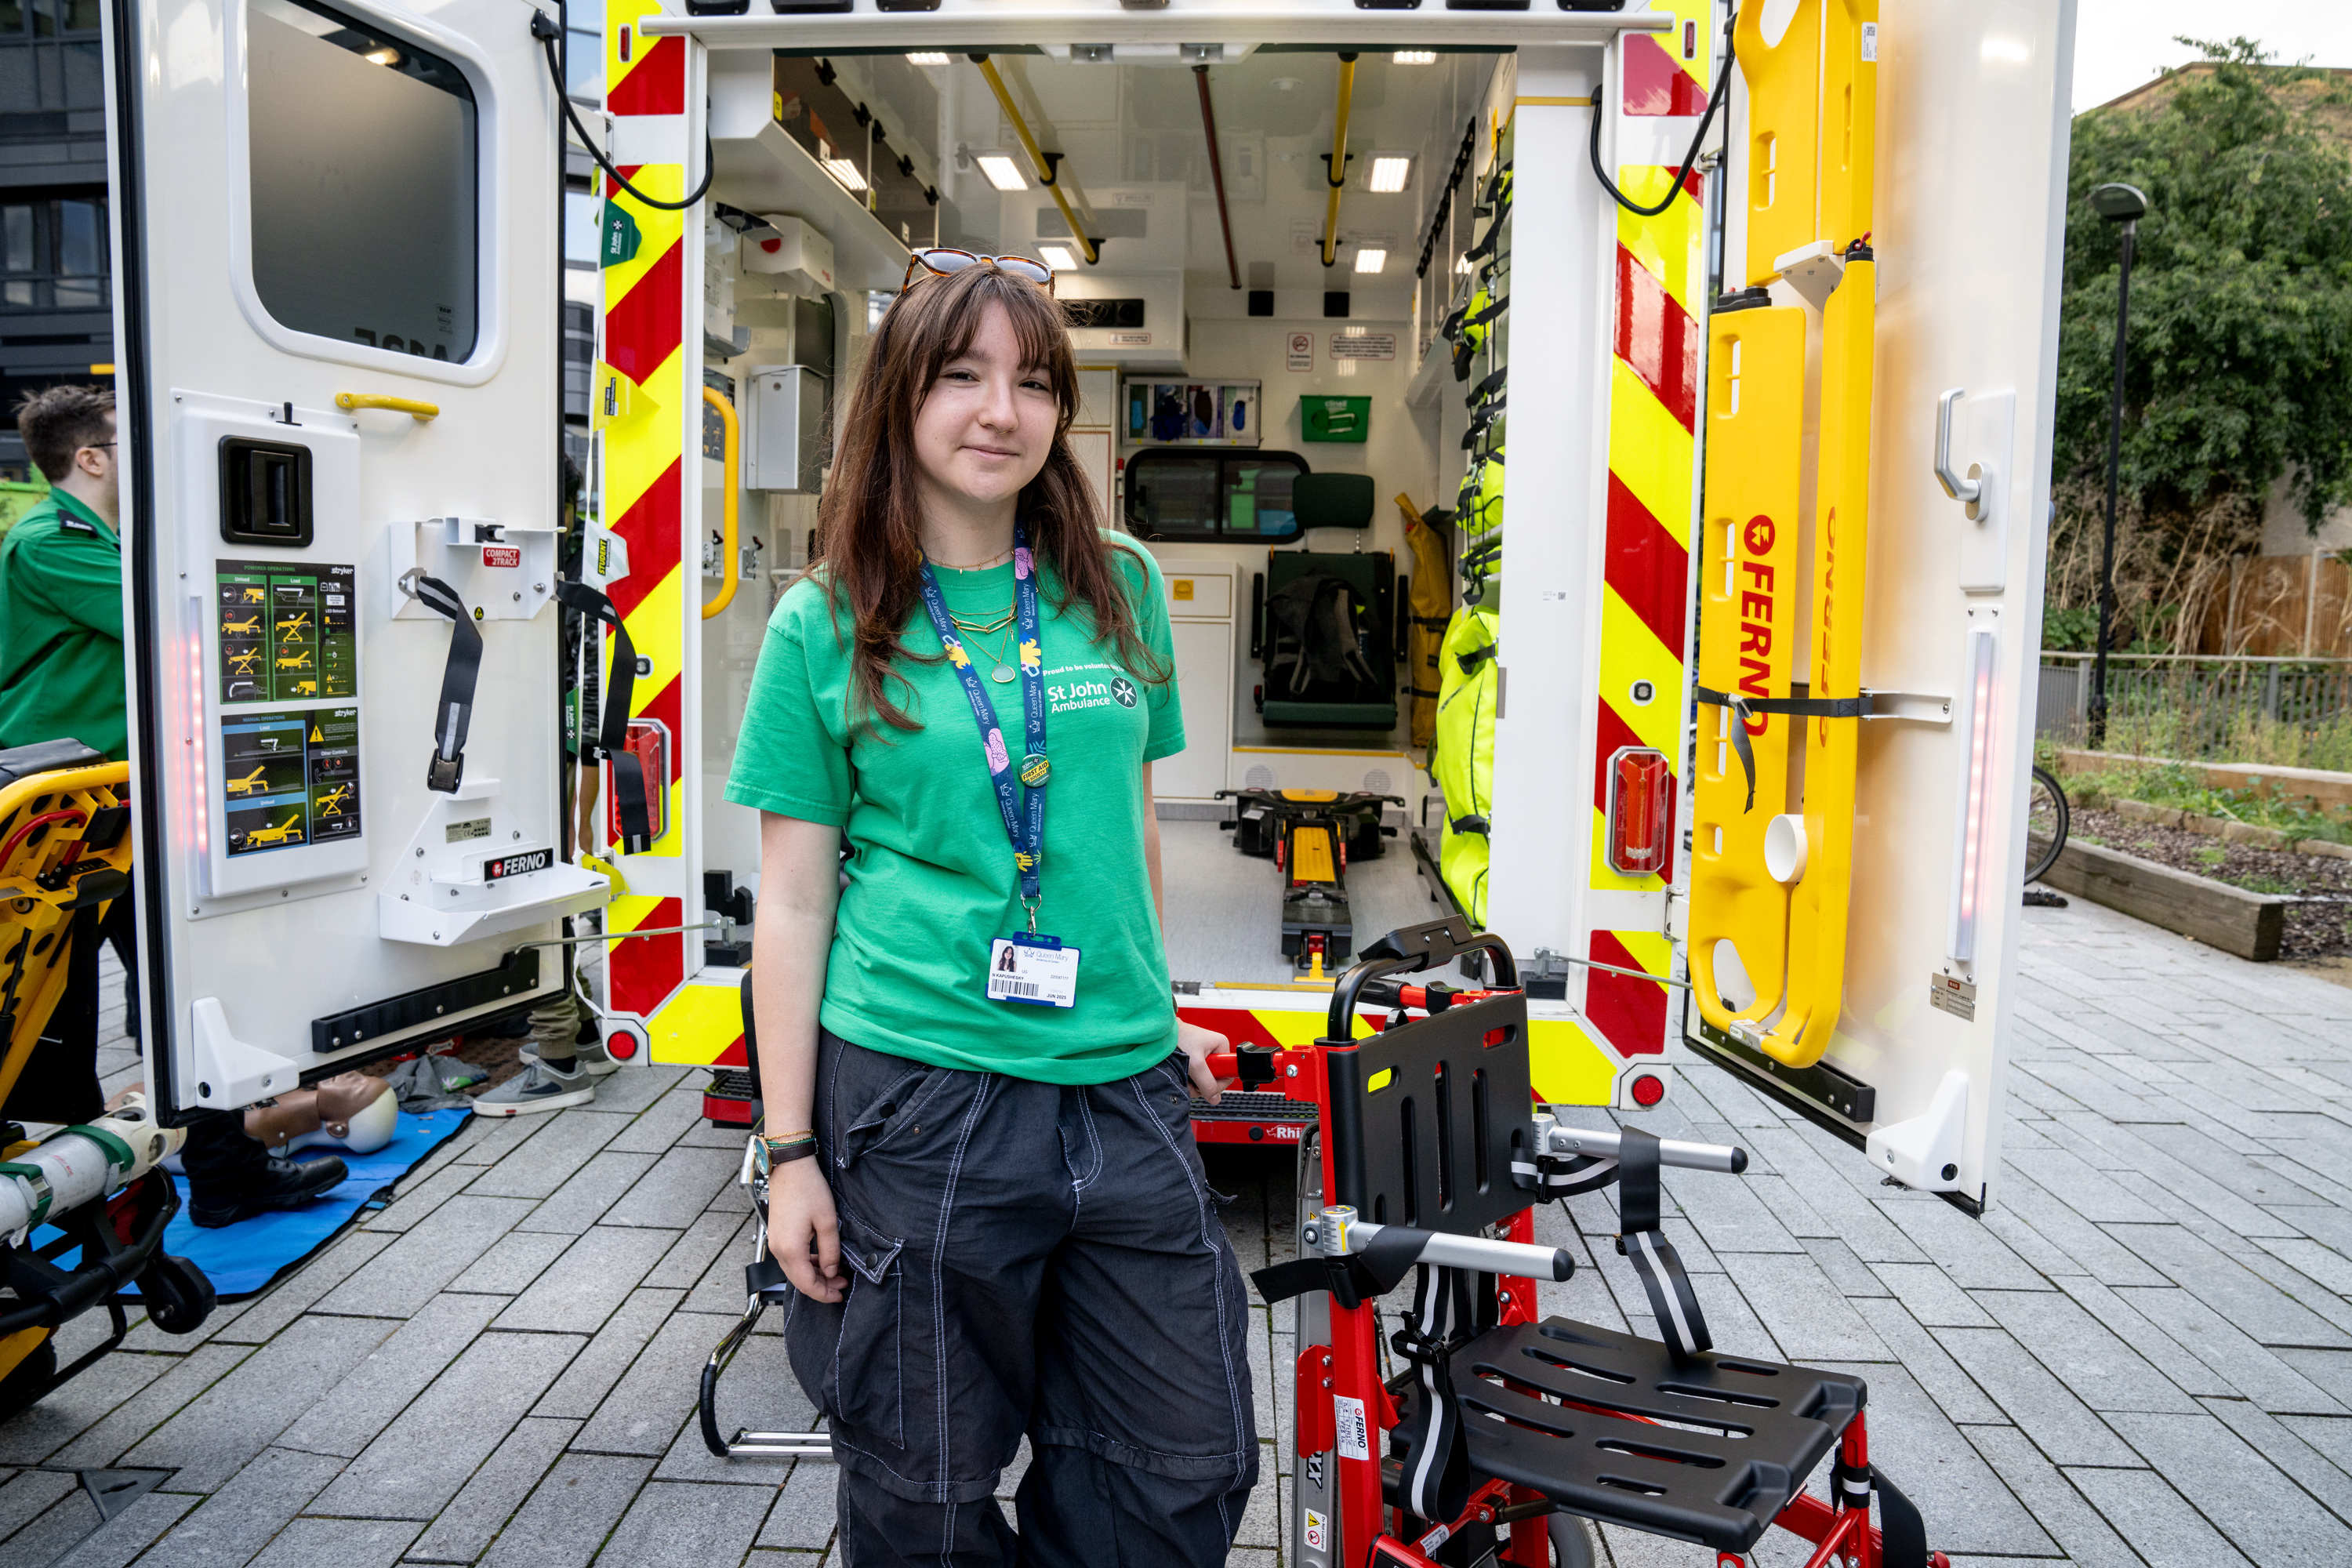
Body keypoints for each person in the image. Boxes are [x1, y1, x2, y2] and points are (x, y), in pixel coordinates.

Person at [726, 255, 1253, 1567]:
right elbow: (790, 905)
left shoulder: (1118, 582)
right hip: (918, 1092)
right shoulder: (825, 625)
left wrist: (1160, 997)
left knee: (1182, 1460)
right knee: (927, 1486)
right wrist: (790, 1155)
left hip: (1121, 1080)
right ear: (900, 396)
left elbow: (1121, 823)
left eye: (1030, 382)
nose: (998, 410)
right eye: (962, 374)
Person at [0, 385, 346, 1226]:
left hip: (115, 801)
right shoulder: (50, 542)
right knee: (47, 1006)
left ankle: (224, 1176)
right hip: (55, 814)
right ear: (90, 457)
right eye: (129, 441)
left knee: (183, 980)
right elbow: (171, 619)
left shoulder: (103, 538)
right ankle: (58, 1191)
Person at [473, 455, 619, 1116]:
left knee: (528, 895)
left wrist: (580, 799)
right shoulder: (563, 551)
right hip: (530, 748)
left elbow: (587, 692)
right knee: (535, 894)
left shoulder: (565, 562)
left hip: (542, 757)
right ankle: (579, 1033)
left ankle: (559, 1056)